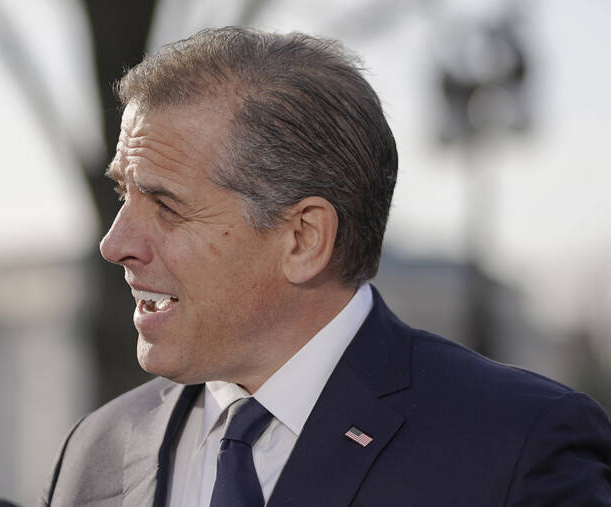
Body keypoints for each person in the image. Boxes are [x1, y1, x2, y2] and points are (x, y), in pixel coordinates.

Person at [42, 27, 611, 506]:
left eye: (165, 205)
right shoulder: (95, 452)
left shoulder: (516, 446)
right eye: (122, 196)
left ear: (303, 238)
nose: (114, 244)